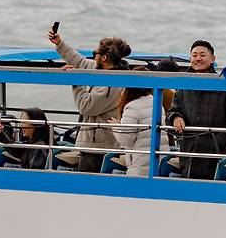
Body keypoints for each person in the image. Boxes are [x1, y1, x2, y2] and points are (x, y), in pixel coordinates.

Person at [48, 27, 131, 173]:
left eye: (95, 54)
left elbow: (85, 106)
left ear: (104, 58)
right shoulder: (104, 71)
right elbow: (80, 62)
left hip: (98, 149)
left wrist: (76, 81)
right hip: (94, 144)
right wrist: (59, 43)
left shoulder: (111, 85)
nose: (93, 57)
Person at [165, 39, 226, 180]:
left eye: (202, 55)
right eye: (194, 55)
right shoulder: (183, 85)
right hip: (189, 155)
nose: (198, 58)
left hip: (217, 156)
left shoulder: (224, 85)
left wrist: (218, 142)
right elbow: (172, 111)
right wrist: (175, 118)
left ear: (213, 59)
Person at [109, 85, 169, 177]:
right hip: (159, 162)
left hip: (140, 165)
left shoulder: (132, 107)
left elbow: (126, 139)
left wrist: (115, 126)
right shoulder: (156, 102)